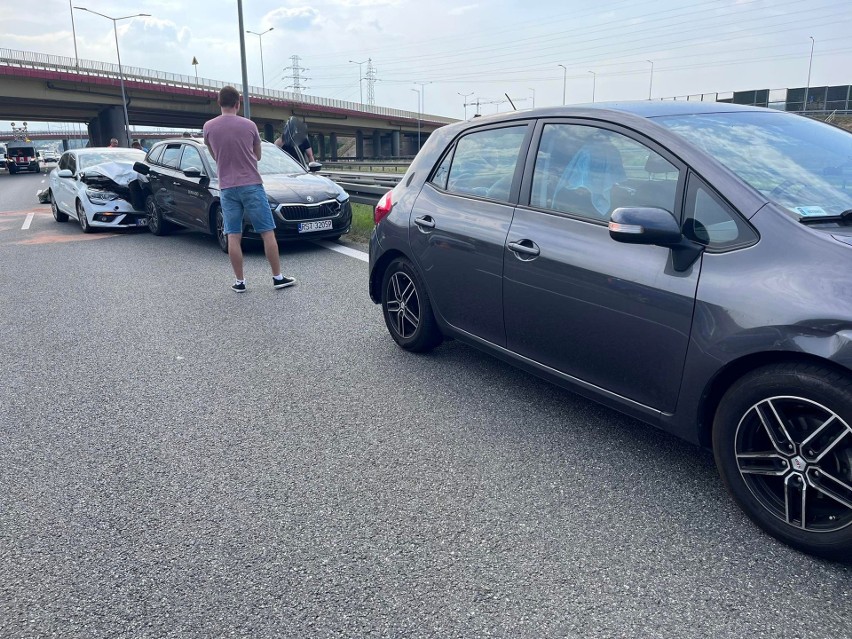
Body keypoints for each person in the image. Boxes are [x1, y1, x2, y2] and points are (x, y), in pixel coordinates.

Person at [202, 85, 295, 293]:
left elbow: (214, 155)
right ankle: (277, 277)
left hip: (226, 187)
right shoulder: (250, 126)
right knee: (267, 232)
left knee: (233, 235)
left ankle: (240, 281)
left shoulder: (208, 127)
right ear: (238, 103)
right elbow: (258, 156)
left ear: (219, 103)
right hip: (251, 184)